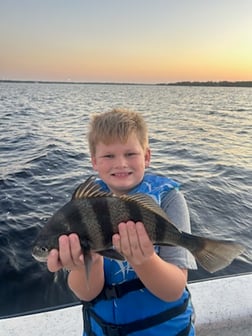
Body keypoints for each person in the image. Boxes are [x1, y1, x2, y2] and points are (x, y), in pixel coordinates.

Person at [47, 108, 197, 335]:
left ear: (146, 156)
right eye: (109, 156)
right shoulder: (82, 210)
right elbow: (87, 294)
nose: (120, 164)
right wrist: (86, 264)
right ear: (94, 161)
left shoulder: (169, 200)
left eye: (130, 154)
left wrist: (145, 260)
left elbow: (173, 290)